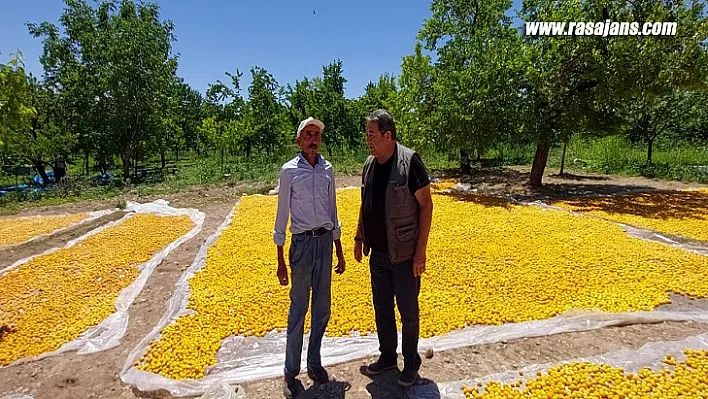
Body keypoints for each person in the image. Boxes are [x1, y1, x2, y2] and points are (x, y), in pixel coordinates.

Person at [354, 109, 434, 387]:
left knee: (408, 312)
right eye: (368, 136)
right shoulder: (369, 164)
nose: (368, 141)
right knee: (382, 309)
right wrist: (358, 237)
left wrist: (420, 251)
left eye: (372, 135)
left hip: (404, 256)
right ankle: (388, 357)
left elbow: (426, 206)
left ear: (388, 136)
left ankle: (411, 362)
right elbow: (366, 204)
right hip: (378, 255)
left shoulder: (409, 162)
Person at [273, 117, 346, 398]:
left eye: (316, 134)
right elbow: (282, 215)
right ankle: (290, 371)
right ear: (299, 140)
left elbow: (333, 209)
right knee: (299, 307)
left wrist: (338, 248)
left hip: (325, 242)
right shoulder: (289, 171)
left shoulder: (328, 169)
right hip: (302, 245)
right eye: (308, 134)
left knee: (323, 307)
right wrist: (280, 258)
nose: (313, 138)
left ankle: (314, 362)